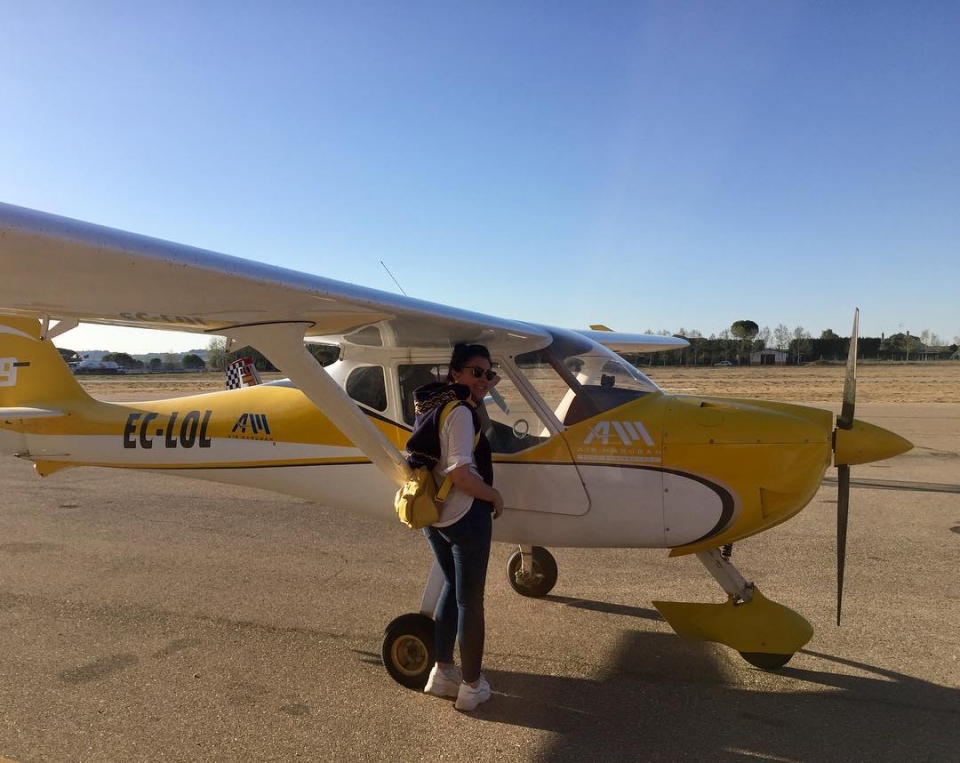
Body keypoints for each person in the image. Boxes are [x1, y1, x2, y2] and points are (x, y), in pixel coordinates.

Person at [413, 343, 503, 711]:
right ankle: (471, 686)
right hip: (466, 514)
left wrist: (480, 388)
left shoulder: (433, 404)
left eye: (488, 372)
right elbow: (462, 474)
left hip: (435, 515)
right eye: (475, 372)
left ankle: (442, 673)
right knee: (471, 600)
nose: (483, 379)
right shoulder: (462, 414)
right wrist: (493, 496)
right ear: (455, 373)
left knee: (452, 586)